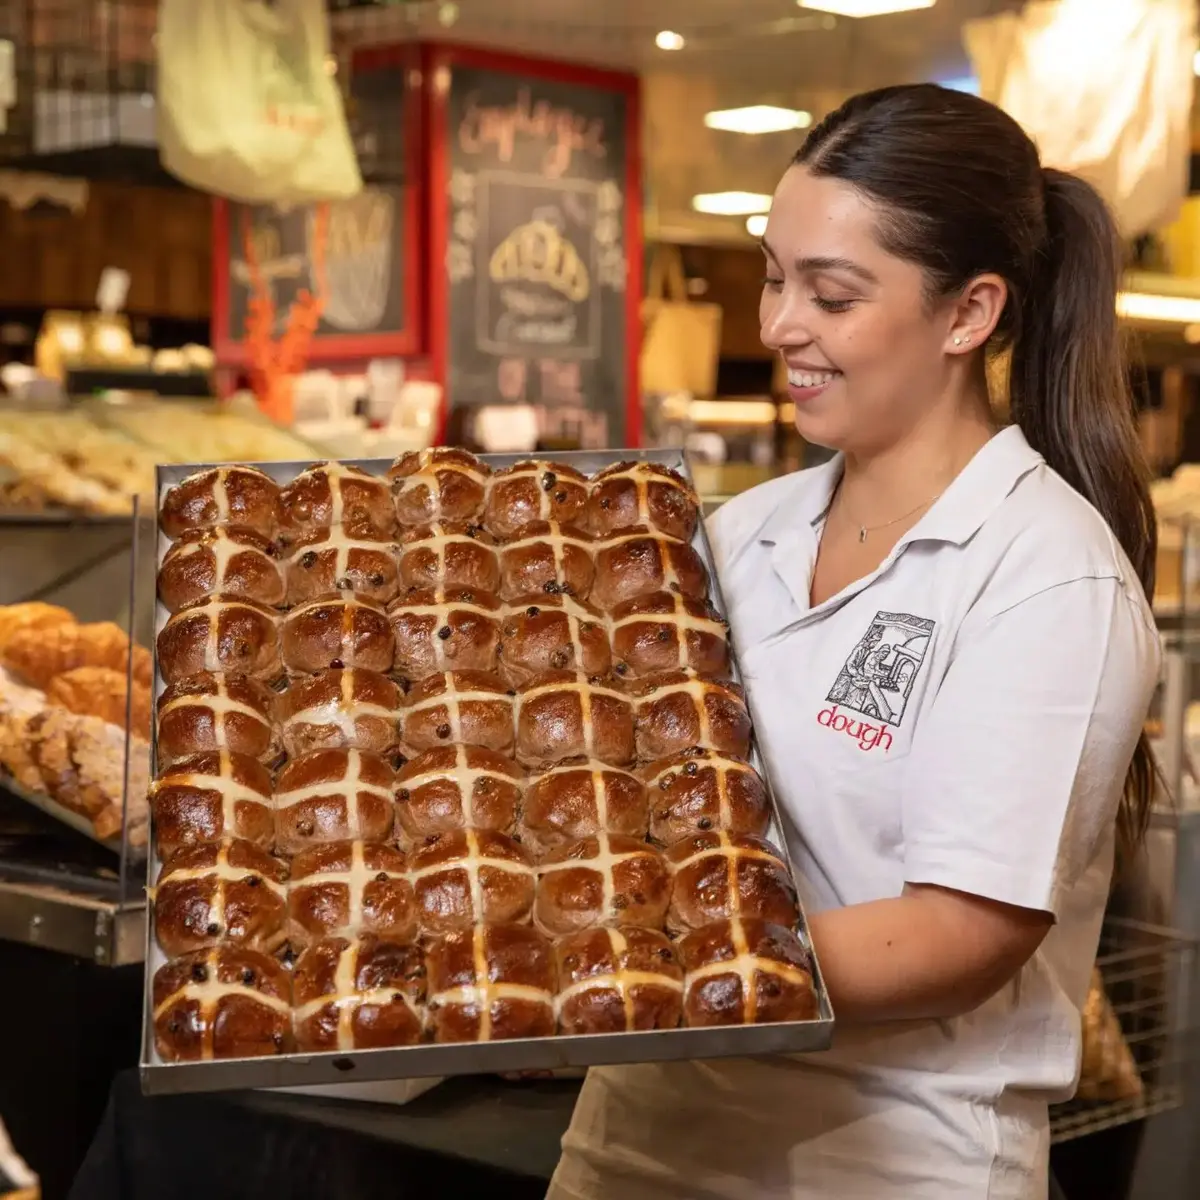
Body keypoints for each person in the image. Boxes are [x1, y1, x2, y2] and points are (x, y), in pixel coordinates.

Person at [548, 84, 1161, 1200]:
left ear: (969, 314)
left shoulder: (1046, 576)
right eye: (776, 277)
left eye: (830, 294)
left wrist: (628, 958)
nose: (779, 324)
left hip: (881, 1166)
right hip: (634, 1145)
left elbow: (960, 933)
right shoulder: (737, 535)